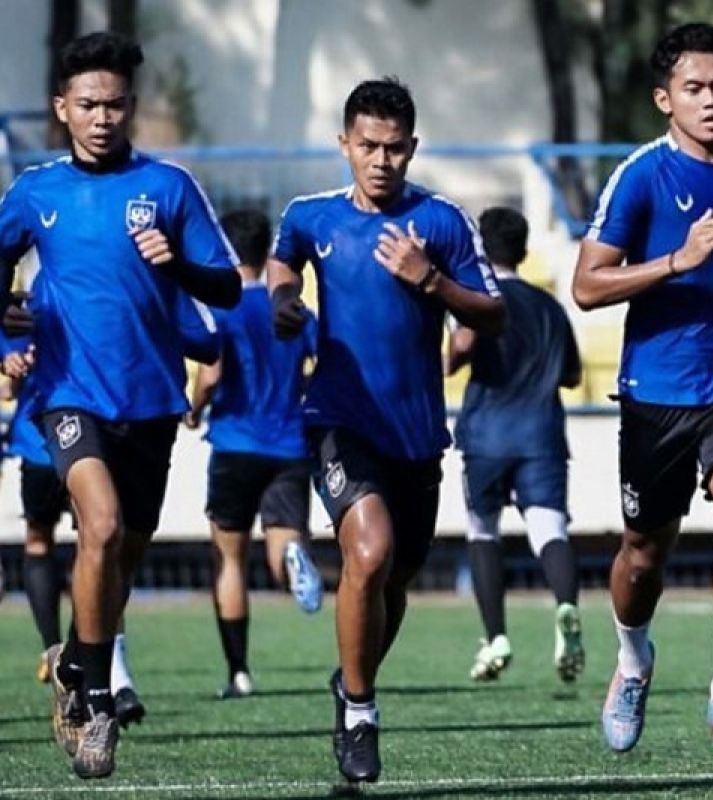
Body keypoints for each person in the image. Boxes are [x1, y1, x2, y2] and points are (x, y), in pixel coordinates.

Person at [0, 32, 240, 779]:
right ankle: (96, 698)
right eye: (88, 104)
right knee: (97, 526)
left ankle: (76, 659)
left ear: (131, 106)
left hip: (151, 400)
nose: (102, 116)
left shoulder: (169, 187)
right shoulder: (35, 193)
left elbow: (228, 289)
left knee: (122, 557)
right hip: (67, 392)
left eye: (114, 103)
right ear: (61, 109)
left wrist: (184, 266)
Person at [572, 22, 713, 755]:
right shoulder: (641, 175)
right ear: (664, 98)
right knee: (644, 552)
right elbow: (586, 285)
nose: (712, 100)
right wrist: (676, 259)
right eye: (695, 88)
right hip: (657, 392)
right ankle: (634, 662)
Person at [267, 77, 505, 785]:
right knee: (367, 555)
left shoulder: (440, 221)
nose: (380, 160)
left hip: (417, 436)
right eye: (367, 145)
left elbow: (492, 314)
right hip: (341, 422)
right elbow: (284, 260)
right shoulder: (313, 217)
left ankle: (349, 682)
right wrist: (284, 300)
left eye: (395, 148)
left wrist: (431, 281)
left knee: (395, 579)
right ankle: (362, 714)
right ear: (345, 143)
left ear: (412, 148)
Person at [4, 289, 221, 726]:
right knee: (101, 535)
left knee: (91, 543)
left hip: (69, 442)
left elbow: (206, 340)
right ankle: (106, 675)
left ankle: (66, 654)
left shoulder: (53, 283)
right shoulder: (51, 284)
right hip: (67, 434)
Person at [184, 209, 323, 701]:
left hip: (235, 443)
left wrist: (194, 409)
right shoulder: (290, 309)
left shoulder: (220, 310)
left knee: (230, 559)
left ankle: (239, 672)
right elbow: (317, 365)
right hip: (289, 442)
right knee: (280, 544)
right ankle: (292, 559)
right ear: (268, 253)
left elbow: (213, 374)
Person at [445, 207, 584, 684]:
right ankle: (565, 604)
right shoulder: (549, 307)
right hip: (541, 434)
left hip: (487, 433)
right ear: (524, 252)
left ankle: (496, 637)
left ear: (480, 250)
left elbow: (457, 353)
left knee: (484, 531)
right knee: (549, 530)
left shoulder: (477, 299)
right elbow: (572, 374)